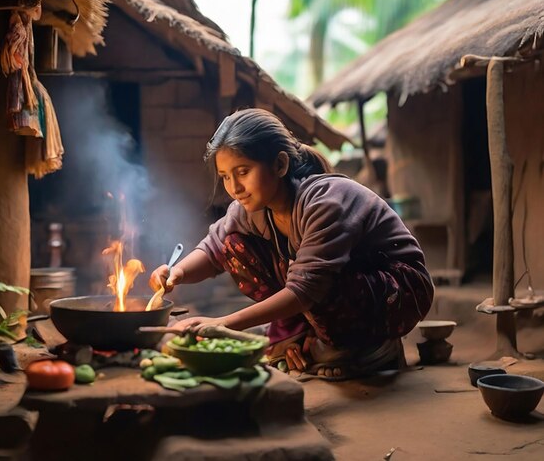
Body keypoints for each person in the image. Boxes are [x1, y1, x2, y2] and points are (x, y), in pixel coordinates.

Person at [149, 108, 434, 380]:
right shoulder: (251, 207)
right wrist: (178, 273)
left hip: (397, 292)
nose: (234, 187)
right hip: (325, 288)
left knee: (318, 284)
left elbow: (306, 289)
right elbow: (213, 250)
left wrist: (221, 323)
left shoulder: (325, 201)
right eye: (225, 176)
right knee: (233, 246)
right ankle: (304, 336)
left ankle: (370, 348)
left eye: (243, 171)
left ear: (280, 164)